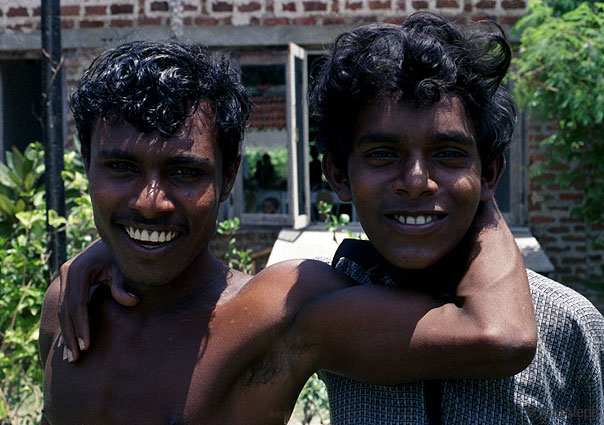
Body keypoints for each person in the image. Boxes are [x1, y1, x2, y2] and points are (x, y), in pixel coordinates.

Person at [41, 36, 537, 425]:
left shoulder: (277, 312)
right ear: (85, 164)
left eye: (185, 171)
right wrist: (111, 247)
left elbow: (499, 334)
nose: (151, 201)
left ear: (229, 175)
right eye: (121, 168)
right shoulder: (69, 301)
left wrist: (477, 185)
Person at [309, 13, 604, 424]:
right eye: (382, 154)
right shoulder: (317, 308)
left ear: (489, 174)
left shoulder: (567, 323)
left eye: (448, 153)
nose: (416, 182)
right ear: (339, 175)